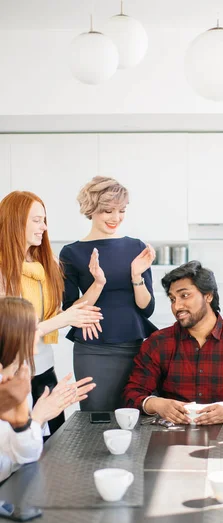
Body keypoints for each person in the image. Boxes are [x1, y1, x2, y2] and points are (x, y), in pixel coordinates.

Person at [123, 261, 223, 424]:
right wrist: (157, 404)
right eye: (172, 299)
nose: (177, 306)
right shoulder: (158, 343)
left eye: (184, 295)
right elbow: (131, 394)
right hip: (169, 433)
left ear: (208, 295)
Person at [0, 191, 102, 435]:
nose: (44, 227)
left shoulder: (48, 263)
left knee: (52, 445)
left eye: (44, 220)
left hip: (44, 369)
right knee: (18, 449)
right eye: (36, 220)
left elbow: (64, 312)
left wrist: (98, 283)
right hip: (11, 377)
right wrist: (63, 319)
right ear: (15, 220)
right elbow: (9, 330)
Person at [60, 176, 157, 412]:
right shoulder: (71, 253)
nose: (116, 218)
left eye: (121, 210)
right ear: (91, 209)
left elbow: (147, 308)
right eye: (107, 211)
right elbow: (71, 310)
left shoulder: (136, 247)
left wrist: (136, 276)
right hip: (93, 349)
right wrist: (98, 283)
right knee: (96, 417)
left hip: (134, 345)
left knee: (135, 415)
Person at [0, 297, 95, 483]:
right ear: (16, 334)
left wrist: (38, 417)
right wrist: (37, 418)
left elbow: (27, 452)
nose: (40, 333)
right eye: (35, 328)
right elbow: (15, 458)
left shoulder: (20, 376)